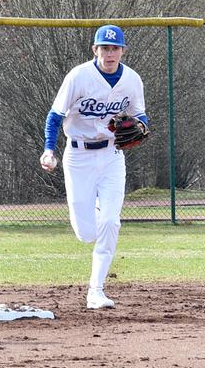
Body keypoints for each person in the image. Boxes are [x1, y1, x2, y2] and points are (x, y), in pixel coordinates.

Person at [39, 25, 149, 309]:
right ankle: (97, 212)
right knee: (86, 233)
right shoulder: (79, 76)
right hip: (78, 157)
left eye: (115, 48)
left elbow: (140, 115)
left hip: (112, 155)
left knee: (112, 222)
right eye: (105, 48)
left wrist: (142, 126)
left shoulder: (132, 80)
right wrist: (49, 150)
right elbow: (54, 117)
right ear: (95, 50)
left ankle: (96, 291)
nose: (110, 53)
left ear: (123, 51)